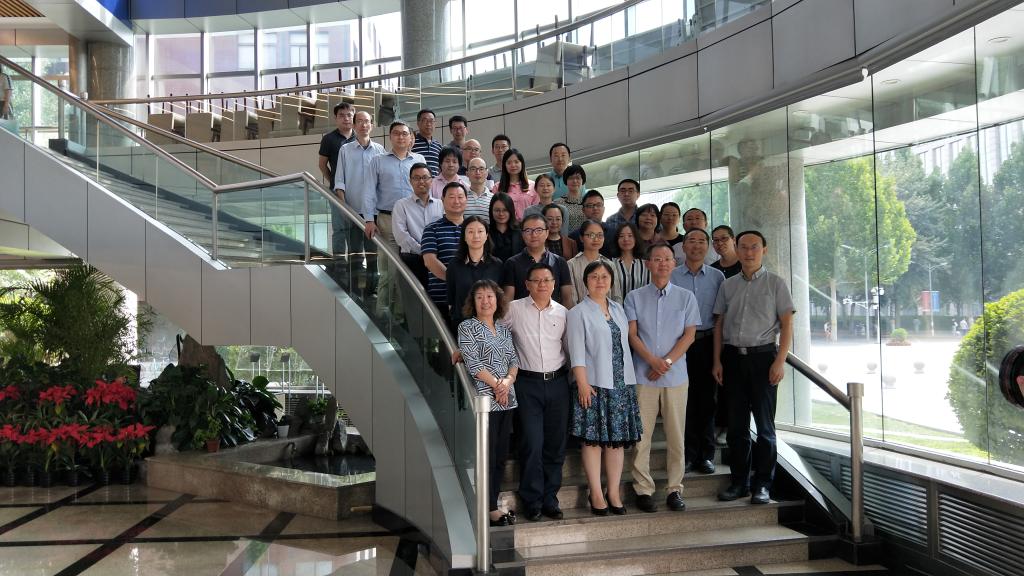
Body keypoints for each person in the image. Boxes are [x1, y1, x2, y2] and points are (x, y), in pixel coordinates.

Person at [712, 230, 795, 505]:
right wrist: (717, 361)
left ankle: (763, 485)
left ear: (764, 250)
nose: (749, 252)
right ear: (737, 249)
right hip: (733, 359)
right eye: (744, 247)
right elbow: (719, 325)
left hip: (763, 360)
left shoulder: (776, 284)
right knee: (736, 428)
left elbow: (787, 324)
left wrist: (780, 361)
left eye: (754, 247)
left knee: (765, 428)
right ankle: (739, 483)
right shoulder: (728, 285)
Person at [626, 243, 701, 513]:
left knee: (676, 435)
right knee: (642, 437)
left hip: (675, 376)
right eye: (657, 259)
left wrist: (666, 362)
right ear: (648, 264)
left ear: (674, 263)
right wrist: (652, 361)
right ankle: (643, 489)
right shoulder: (634, 296)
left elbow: (689, 335)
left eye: (667, 259)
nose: (662, 263)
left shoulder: (686, 297)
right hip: (643, 375)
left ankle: (674, 489)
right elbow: (632, 334)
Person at [568, 260, 642, 516]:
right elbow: (576, 351)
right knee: (593, 442)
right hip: (594, 384)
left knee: (616, 442)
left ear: (611, 281)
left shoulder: (619, 309)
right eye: (594, 277)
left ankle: (613, 492)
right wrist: (582, 383)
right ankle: (596, 493)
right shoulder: (578, 312)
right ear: (585, 282)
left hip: (621, 384)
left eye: (604, 277)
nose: (600, 281)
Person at [502, 262, 570, 522]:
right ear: (527, 284)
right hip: (526, 383)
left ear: (554, 284)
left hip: (558, 383)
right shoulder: (514, 309)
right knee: (531, 442)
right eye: (537, 280)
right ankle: (532, 500)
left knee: (555, 445)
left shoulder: (563, 313)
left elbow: (569, 347)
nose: (542, 284)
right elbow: (493, 331)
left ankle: (550, 499)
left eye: (547, 280)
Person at [457, 279, 519, 527]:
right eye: (480, 296)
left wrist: (507, 382)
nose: (486, 301)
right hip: (484, 402)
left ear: (498, 300)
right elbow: (473, 364)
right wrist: (497, 385)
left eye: (490, 296)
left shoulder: (503, 329)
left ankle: (492, 503)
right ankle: (487, 508)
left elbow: (514, 361)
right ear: (473, 302)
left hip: (507, 400)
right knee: (486, 456)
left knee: (500, 457)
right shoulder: (467, 327)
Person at [670, 229, 725, 476]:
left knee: (707, 401)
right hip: (681, 343)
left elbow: (721, 316)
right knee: (685, 400)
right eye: (691, 241)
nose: (696, 245)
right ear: (683, 246)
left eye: (702, 241)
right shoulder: (672, 276)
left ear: (708, 246)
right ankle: (689, 455)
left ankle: (707, 455)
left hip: (707, 342)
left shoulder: (717, 277)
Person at [363, 121, 426, 315]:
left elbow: (425, 189)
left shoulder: (419, 159)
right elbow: (368, 191)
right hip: (386, 220)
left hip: (413, 219)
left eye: (405, 133)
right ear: (390, 137)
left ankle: (401, 314)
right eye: (396, 133)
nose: (401, 137)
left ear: (410, 138)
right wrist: (369, 220)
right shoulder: (378, 160)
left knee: (409, 268)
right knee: (388, 270)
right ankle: (382, 312)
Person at [333, 111, 384, 280]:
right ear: (354, 126)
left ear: (372, 125)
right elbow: (339, 182)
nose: (363, 125)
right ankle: (354, 291)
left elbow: (383, 183)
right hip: (353, 211)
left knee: (373, 255)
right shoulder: (345, 150)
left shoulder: (380, 151)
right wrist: (344, 209)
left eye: (367, 121)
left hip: (374, 213)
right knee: (355, 255)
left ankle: (371, 290)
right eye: (360, 121)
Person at [502, 213, 574, 306]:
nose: (534, 235)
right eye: (528, 231)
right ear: (522, 234)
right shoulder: (512, 263)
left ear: (547, 233)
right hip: (522, 314)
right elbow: (508, 300)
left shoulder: (560, 262)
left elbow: (567, 298)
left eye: (539, 230)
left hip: (553, 314)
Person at [421, 182, 467, 321]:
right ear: (442, 199)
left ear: (466, 199)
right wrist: (457, 281)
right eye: (451, 197)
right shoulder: (431, 229)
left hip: (472, 298)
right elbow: (430, 261)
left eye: (460, 197)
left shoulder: (475, 228)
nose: (456, 201)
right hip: (442, 298)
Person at [392, 162, 443, 288]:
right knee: (412, 297)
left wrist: (432, 254)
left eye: (425, 177)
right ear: (410, 181)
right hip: (412, 259)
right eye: (416, 178)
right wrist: (425, 252)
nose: (421, 181)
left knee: (436, 296)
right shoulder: (401, 205)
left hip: (437, 259)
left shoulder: (441, 205)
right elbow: (401, 236)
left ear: (431, 180)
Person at [447, 216, 503, 328]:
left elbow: (500, 298)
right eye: (470, 232)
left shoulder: (497, 265)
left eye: (480, 231)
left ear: (486, 236)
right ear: (464, 237)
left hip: (490, 326)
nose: (476, 236)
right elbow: (451, 300)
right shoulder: (454, 265)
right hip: (461, 326)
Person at [568, 220, 617, 305]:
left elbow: (616, 296)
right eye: (591, 235)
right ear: (581, 238)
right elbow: (572, 298)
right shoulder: (571, 264)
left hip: (607, 312)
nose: (596, 239)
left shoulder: (610, 264)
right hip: (581, 312)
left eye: (600, 235)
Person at [318, 102, 355, 189]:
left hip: (358, 188)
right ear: (336, 118)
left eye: (349, 115)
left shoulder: (360, 137)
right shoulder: (328, 139)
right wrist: (333, 181)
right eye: (341, 115)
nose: (346, 119)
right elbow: (322, 165)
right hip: (338, 189)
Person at [493, 148, 537, 220]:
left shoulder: (533, 186)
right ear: (504, 165)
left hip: (527, 225)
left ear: (522, 163)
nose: (513, 165)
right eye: (509, 162)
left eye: (516, 162)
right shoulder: (497, 187)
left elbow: (536, 211)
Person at [568, 190, 614, 256]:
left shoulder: (614, 233)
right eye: (590, 205)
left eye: (598, 205)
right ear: (583, 210)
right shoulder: (573, 237)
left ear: (603, 208)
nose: (595, 208)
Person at [611, 223, 650, 301]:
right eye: (621, 236)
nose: (626, 239)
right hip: (616, 307)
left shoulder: (646, 265)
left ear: (636, 239)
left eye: (630, 235)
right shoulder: (610, 264)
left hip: (640, 307)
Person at [488, 193, 523, 262]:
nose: (501, 214)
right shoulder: (485, 232)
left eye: (505, 210)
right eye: (497, 210)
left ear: (511, 211)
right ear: (491, 211)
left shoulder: (520, 231)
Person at [555, 164, 587, 235]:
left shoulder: (588, 203)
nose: (574, 181)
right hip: (564, 240)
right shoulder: (557, 203)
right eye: (571, 178)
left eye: (578, 178)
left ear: (582, 180)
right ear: (566, 180)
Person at [412, 109, 443, 176]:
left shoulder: (438, 146)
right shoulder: (411, 143)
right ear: (418, 123)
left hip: (435, 182)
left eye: (431, 121)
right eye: (425, 120)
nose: (428, 124)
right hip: (417, 181)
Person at [463, 157, 494, 222]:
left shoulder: (493, 199)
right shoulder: (461, 197)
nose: (477, 172)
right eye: (473, 169)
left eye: (481, 169)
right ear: (467, 173)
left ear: (487, 173)